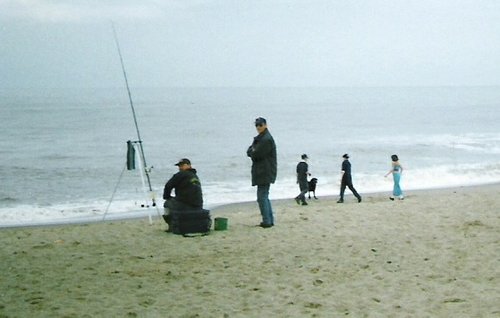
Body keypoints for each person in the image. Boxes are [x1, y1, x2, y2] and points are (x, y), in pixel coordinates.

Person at [247, 117, 277, 228]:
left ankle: (267, 221)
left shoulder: (266, 139)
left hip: (264, 171)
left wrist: (252, 151)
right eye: (257, 125)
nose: (258, 127)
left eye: (260, 125)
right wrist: (252, 151)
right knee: (264, 195)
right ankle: (269, 220)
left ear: (265, 125)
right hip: (263, 171)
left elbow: (256, 154)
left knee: (262, 196)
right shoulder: (261, 138)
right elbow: (250, 151)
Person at [162, 158, 203, 230]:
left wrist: (167, 197)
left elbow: (168, 186)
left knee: (167, 204)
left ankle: (171, 225)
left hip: (186, 204)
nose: (180, 168)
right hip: (198, 205)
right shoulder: (194, 176)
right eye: (179, 166)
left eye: (182, 165)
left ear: (189, 165)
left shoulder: (180, 175)